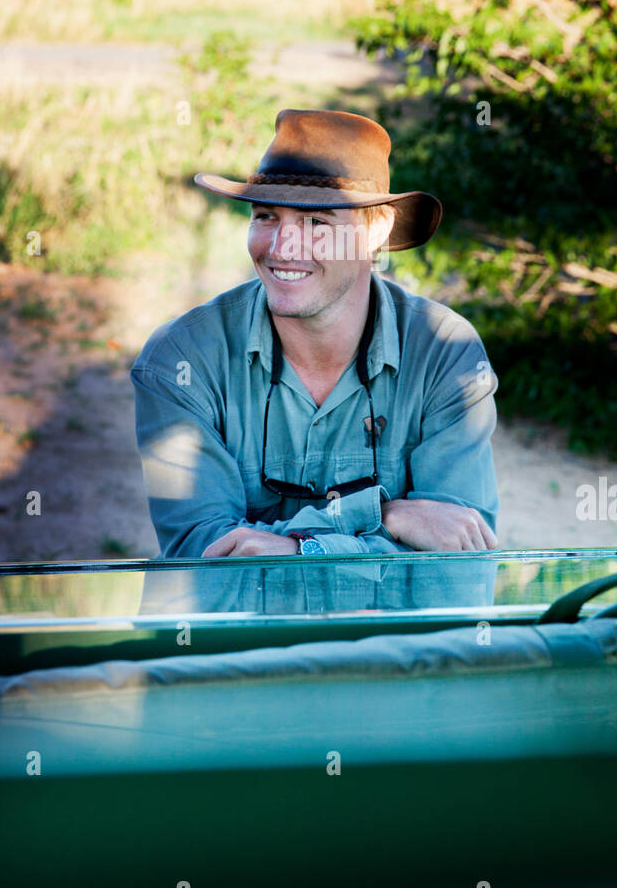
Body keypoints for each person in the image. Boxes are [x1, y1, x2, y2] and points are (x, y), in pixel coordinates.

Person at [130, 108, 499, 559]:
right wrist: (381, 516)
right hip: (244, 632)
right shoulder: (182, 359)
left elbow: (457, 548)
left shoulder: (444, 351)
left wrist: (288, 546)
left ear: (376, 229)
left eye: (316, 223)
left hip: (389, 632)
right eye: (266, 216)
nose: (282, 248)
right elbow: (205, 554)